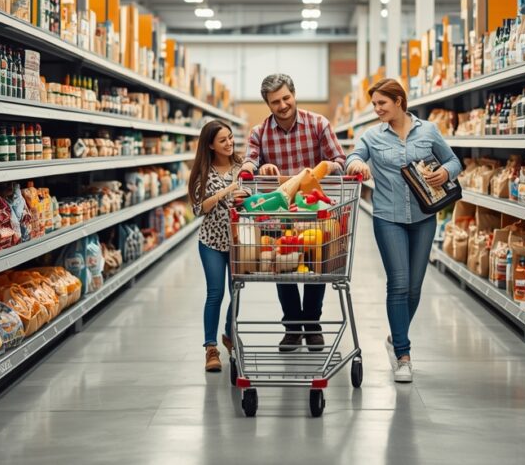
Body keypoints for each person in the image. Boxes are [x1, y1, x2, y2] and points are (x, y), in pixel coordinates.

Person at [345, 78, 461, 384]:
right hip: (388, 217)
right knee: (398, 284)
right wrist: (357, 164)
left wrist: (445, 172)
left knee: (414, 287)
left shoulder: (428, 131)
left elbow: (454, 160)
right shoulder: (372, 135)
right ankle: (403, 353)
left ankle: (394, 336)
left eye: (382, 103)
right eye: (374, 104)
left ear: (399, 101)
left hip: (424, 216)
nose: (377, 109)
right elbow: (353, 156)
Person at [239, 73, 345, 353]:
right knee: (281, 266)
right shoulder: (259, 133)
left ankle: (311, 325)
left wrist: (328, 166)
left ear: (294, 94)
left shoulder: (318, 124)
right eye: (275, 102)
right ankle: (292, 326)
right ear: (268, 104)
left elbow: (340, 161)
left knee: (316, 266)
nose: (283, 105)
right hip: (278, 212)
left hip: (314, 208)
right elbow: (249, 160)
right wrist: (257, 168)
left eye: (286, 98)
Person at [188, 119, 248, 373]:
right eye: (222, 140)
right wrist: (227, 191)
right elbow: (199, 208)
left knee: (237, 292)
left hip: (239, 241)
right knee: (215, 294)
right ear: (210, 145)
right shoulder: (203, 171)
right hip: (211, 241)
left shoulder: (242, 167)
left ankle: (228, 333)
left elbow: (253, 200)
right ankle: (210, 348)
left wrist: (245, 197)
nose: (229, 143)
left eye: (231, 138)